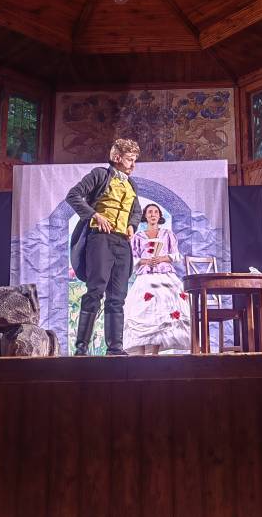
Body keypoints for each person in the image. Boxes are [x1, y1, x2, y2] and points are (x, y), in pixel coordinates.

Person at [66, 138, 142, 356]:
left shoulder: (131, 184)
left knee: (117, 296)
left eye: (134, 160)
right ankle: (81, 347)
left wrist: (132, 225)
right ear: (117, 158)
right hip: (100, 239)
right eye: (129, 159)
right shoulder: (100, 175)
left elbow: (136, 210)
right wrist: (94, 215)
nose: (133, 164)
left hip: (122, 243)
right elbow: (73, 195)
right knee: (95, 291)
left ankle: (115, 347)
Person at [123, 203, 191, 354]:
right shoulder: (138, 237)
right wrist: (145, 261)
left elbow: (176, 255)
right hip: (145, 277)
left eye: (155, 212)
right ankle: (140, 353)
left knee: (161, 311)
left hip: (164, 275)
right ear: (145, 216)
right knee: (142, 311)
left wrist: (161, 258)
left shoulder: (167, 234)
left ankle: (155, 352)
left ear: (160, 215)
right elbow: (133, 258)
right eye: (149, 212)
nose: (153, 214)